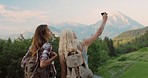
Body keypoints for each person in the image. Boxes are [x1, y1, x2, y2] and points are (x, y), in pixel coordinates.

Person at [58, 12, 108, 78]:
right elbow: (98, 32)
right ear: (71, 36)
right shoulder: (82, 43)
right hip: (86, 75)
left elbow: (63, 71)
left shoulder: (62, 51)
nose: (74, 32)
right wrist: (104, 20)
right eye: (72, 32)